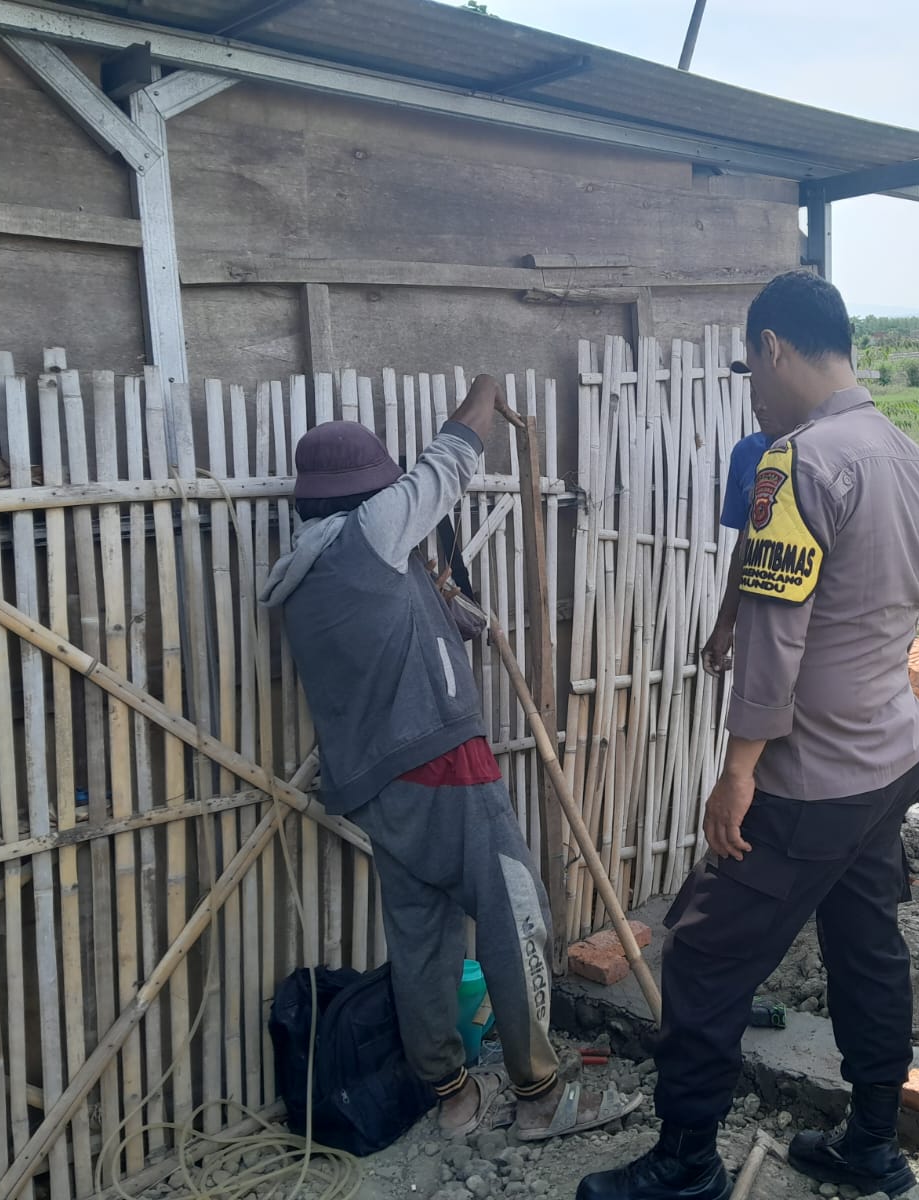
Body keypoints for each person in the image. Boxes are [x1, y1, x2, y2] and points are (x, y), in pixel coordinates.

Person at [578, 272, 919, 1200]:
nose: (752, 392)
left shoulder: (794, 462)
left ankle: (686, 1165)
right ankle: (872, 1144)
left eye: (749, 369)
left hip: (811, 776)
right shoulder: (906, 453)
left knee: (704, 951)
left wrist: (738, 770)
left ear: (773, 347)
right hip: (893, 754)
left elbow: (777, 642)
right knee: (866, 943)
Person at [260, 375, 640, 1143]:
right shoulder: (369, 534)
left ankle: (453, 1096)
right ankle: (540, 1095)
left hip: (378, 788)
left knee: (423, 938)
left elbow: (387, 636)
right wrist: (485, 394)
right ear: (364, 496)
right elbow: (450, 458)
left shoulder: (309, 576)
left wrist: (446, 615)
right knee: (515, 910)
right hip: (442, 767)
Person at [700, 381, 793, 677]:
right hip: (758, 618)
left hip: (809, 619)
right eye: (754, 392)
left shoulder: (820, 452)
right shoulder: (746, 453)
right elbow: (744, 545)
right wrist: (724, 624)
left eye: (769, 392)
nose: (759, 405)